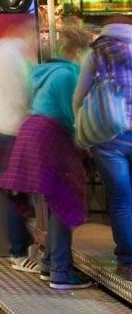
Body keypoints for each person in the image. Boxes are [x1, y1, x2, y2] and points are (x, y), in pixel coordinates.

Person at [0, 23, 94, 290]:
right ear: (80, 51)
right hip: (51, 137)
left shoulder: (48, 71)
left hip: (33, 133)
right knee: (65, 201)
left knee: (56, 202)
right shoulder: (67, 76)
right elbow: (71, 114)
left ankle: (50, 263)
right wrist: (87, 141)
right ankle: (61, 272)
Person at [73, 14, 132, 280]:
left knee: (121, 200)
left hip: (109, 137)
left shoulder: (97, 55)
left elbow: (79, 96)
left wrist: (82, 124)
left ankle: (128, 261)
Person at [0, 33, 36, 272]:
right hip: (12, 130)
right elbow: (21, 97)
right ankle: (19, 251)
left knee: (15, 191)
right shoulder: (13, 56)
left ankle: (23, 246)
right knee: (17, 191)